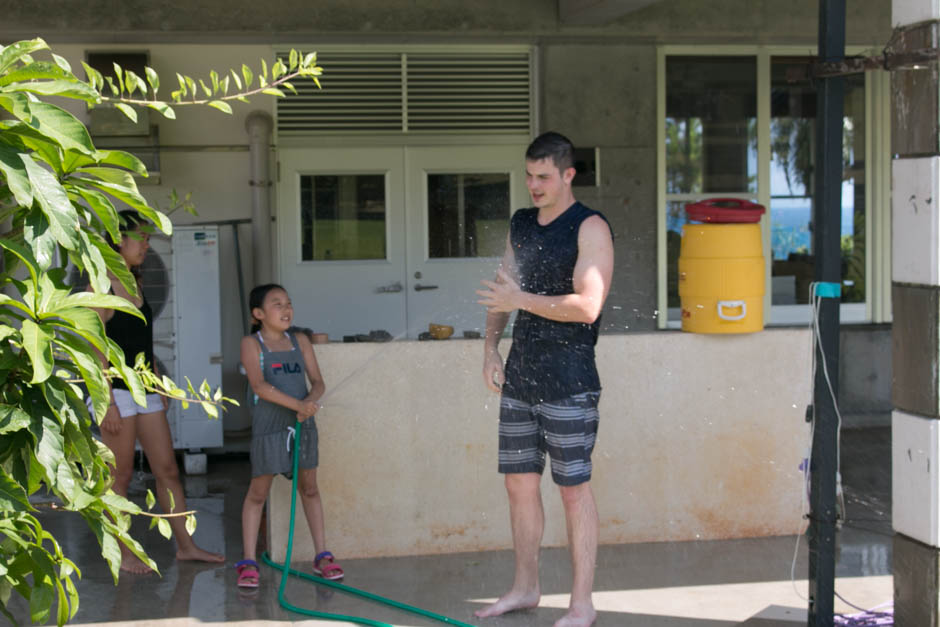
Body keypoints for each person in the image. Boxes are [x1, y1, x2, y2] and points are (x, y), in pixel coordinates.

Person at [475, 132, 614, 627]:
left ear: (568, 175)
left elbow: (588, 306)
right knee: (518, 486)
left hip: (570, 379)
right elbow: (503, 291)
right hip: (521, 376)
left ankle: (582, 604)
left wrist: (522, 302)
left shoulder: (590, 227)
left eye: (543, 177)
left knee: (573, 489)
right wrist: (491, 348)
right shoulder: (521, 223)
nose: (533, 185)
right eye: (528, 176)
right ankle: (526, 587)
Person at [92, 210, 225, 574]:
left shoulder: (133, 282)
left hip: (143, 391)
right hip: (113, 393)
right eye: (143, 239)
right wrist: (106, 404)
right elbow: (94, 348)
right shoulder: (98, 285)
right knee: (118, 478)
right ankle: (123, 554)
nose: (147, 246)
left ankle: (186, 546)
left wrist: (155, 382)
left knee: (166, 468)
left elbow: (141, 341)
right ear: (118, 240)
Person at [235, 283, 343, 588]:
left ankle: (323, 555)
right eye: (277, 304)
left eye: (288, 303)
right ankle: (247, 562)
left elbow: (318, 382)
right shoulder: (251, 344)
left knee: (309, 489)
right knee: (258, 492)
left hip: (303, 425)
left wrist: (311, 402)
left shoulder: (300, 341)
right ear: (258, 314)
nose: (286, 309)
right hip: (269, 427)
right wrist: (298, 404)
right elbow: (258, 386)